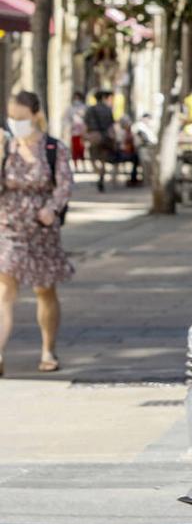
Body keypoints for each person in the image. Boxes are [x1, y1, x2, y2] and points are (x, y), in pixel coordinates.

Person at [0, 92, 74, 374]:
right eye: (11, 117)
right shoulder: (5, 147)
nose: (15, 123)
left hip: (42, 232)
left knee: (44, 290)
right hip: (8, 227)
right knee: (4, 291)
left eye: (20, 118)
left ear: (35, 115)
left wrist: (52, 209)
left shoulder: (54, 148)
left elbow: (64, 185)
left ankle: (48, 350)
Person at [84, 89, 117, 192]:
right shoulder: (108, 109)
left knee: (92, 157)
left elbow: (86, 122)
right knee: (103, 158)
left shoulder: (90, 109)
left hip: (94, 135)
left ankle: (99, 173)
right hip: (106, 135)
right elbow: (111, 124)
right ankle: (101, 175)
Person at [66, 91, 87, 170]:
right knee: (75, 149)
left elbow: (87, 119)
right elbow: (66, 119)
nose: (76, 100)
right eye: (75, 98)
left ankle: (83, 165)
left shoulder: (84, 107)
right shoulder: (70, 108)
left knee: (82, 149)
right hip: (74, 132)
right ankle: (76, 166)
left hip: (82, 132)